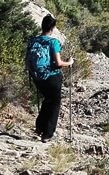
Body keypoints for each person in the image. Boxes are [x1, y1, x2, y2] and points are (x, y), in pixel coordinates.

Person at [25, 14, 74, 142]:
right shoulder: (53, 42)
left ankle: (39, 127)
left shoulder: (33, 41)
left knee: (47, 100)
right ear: (52, 28)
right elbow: (58, 63)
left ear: (42, 26)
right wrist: (69, 63)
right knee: (55, 104)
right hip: (52, 77)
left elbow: (26, 61)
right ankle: (48, 134)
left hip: (37, 77)